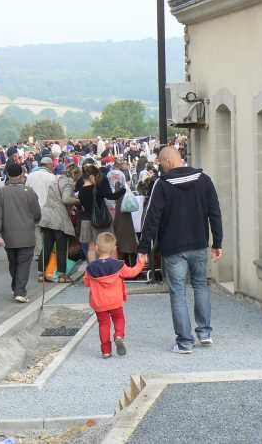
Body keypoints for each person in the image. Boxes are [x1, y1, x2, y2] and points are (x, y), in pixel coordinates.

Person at [137, 147, 223, 354]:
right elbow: (215, 212)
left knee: (178, 293)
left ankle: (185, 342)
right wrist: (217, 242)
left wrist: (143, 248)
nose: (160, 166)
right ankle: (204, 333)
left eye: (160, 162)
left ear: (167, 161)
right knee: (201, 285)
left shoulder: (163, 184)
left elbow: (152, 218)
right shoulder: (204, 180)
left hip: (173, 247)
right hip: (199, 243)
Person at [83, 233, 144, 358]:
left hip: (99, 303)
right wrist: (140, 263)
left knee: (103, 324)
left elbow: (86, 282)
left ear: (96, 248)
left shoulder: (90, 268)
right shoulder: (119, 265)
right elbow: (132, 273)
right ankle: (119, 335)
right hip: (115, 301)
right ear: (114, 249)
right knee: (119, 319)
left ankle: (106, 351)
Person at [0, 161, 42, 303]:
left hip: (9, 235)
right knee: (24, 264)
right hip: (27, 234)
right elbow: (37, 213)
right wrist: (35, 220)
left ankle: (16, 288)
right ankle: (19, 290)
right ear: (21, 174)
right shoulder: (29, 192)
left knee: (13, 263)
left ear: (7, 174)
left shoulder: (2, 192)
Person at [38, 161, 80, 282]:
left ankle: (41, 273)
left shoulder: (55, 180)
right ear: (75, 175)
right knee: (62, 246)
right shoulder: (68, 183)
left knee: (47, 246)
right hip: (58, 218)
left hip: (47, 216)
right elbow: (66, 199)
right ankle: (62, 274)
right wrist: (77, 200)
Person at [78, 164, 125, 256]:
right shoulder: (96, 189)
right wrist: (123, 190)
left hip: (87, 221)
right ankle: (113, 267)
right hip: (101, 221)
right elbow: (111, 196)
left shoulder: (81, 191)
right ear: (92, 176)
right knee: (110, 245)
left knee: (91, 248)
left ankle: (94, 269)